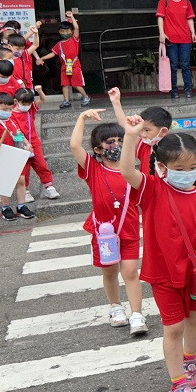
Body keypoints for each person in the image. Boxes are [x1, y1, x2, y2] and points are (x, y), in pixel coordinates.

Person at [119, 119, 196, 392]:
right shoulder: (153, 189)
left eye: (192, 167)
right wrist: (131, 137)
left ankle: (190, 360)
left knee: (195, 321)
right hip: (163, 273)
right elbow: (127, 171)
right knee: (173, 326)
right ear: (162, 168)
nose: (187, 174)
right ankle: (178, 384)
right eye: (179, 170)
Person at [71, 109, 147, 335]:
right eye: (110, 142)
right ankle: (115, 307)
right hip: (103, 232)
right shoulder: (93, 169)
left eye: (120, 140)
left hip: (130, 227)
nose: (116, 145)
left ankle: (136, 314)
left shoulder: (132, 171)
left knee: (131, 271)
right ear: (97, 149)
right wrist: (82, 119)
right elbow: (75, 147)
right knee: (110, 270)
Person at [0, 91, 35, 222]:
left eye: (10, 109)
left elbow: (18, 134)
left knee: (21, 180)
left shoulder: (11, 120)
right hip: (2, 155)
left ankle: (21, 205)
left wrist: (27, 144)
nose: (8, 111)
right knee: (5, 183)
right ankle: (5, 208)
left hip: (15, 154)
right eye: (4, 109)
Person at [156, 0, 196, 100]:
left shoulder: (186, 1)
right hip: (170, 38)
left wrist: (193, 32)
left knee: (185, 65)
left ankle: (188, 90)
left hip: (185, 38)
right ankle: (173, 91)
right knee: (173, 65)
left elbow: (190, 18)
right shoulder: (164, 0)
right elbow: (160, 18)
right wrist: (162, 33)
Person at [43, 12, 90, 108]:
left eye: (67, 31)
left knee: (76, 83)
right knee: (64, 84)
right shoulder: (59, 44)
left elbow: (77, 28)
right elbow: (53, 53)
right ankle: (66, 101)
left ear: (71, 32)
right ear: (59, 32)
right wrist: (42, 58)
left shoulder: (74, 40)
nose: (65, 33)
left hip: (74, 65)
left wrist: (72, 17)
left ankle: (86, 97)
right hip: (64, 66)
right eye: (62, 31)